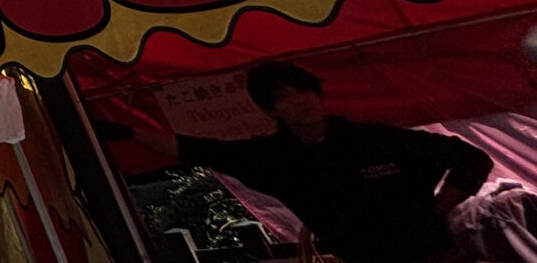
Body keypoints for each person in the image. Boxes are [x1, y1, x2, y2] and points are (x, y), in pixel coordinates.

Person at [120, 61, 493, 263]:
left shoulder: (376, 138)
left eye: (305, 92)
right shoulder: (276, 159)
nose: (300, 101)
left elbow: (472, 159)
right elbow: (195, 149)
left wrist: (439, 206)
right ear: (270, 109)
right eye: (285, 97)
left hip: (435, 256)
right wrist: (125, 131)